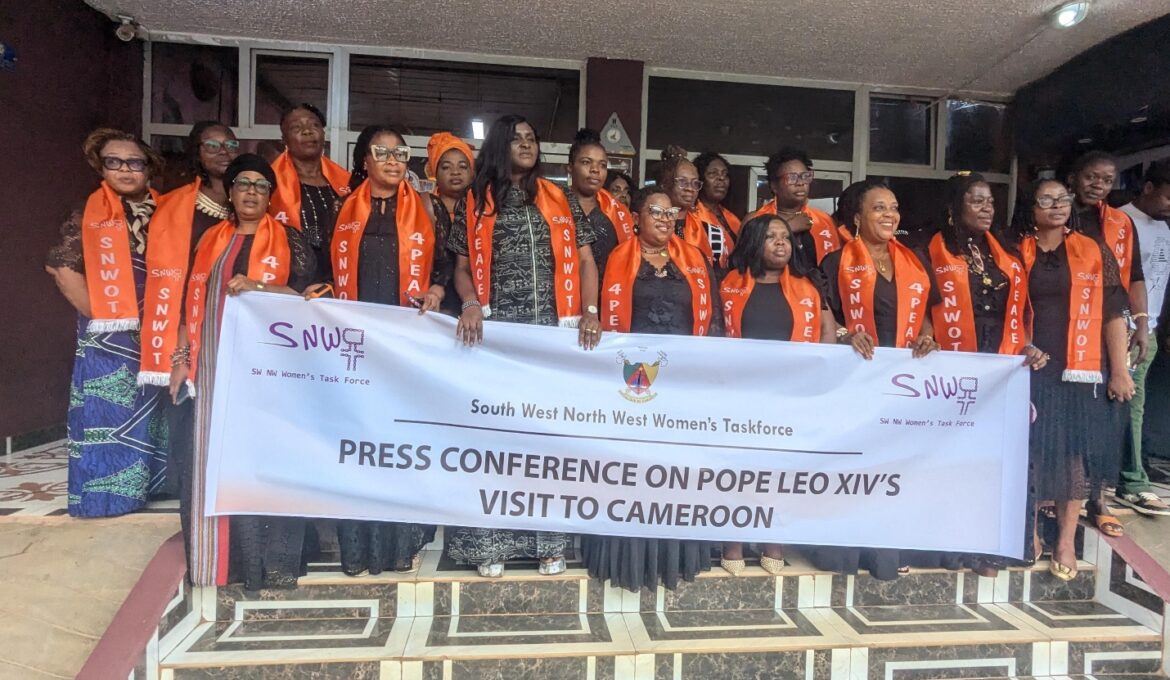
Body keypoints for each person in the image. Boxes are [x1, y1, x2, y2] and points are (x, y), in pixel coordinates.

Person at [447, 114, 601, 577]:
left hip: (550, 340)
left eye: (532, 138)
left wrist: (590, 312)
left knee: (545, 442)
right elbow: (460, 266)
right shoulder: (475, 201)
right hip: (496, 340)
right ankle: (487, 547)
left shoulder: (559, 198)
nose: (527, 145)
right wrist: (471, 303)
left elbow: (586, 259)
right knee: (494, 441)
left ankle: (547, 544)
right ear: (499, 146)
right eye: (517, 138)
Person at [172, 153, 318, 588]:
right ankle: (222, 564)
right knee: (214, 461)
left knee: (267, 461)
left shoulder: (292, 242)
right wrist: (181, 362)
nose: (252, 191)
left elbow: (313, 301)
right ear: (230, 193)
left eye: (260, 185)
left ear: (271, 196)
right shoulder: (208, 241)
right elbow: (186, 305)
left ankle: (274, 567)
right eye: (243, 184)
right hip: (214, 373)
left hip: (272, 377)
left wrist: (262, 287)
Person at [312, 125, 450, 574]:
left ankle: (400, 546)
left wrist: (435, 288)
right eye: (382, 152)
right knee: (359, 440)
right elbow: (320, 264)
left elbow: (446, 262)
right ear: (364, 161)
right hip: (355, 343)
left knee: (401, 442)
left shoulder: (426, 207)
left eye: (400, 153)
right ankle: (358, 550)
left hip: (406, 344)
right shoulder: (342, 207)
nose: (393, 160)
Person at [583, 186, 718, 591]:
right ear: (637, 217)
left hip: (679, 385)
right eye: (655, 211)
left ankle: (673, 556)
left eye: (670, 212)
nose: (664, 218)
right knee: (627, 468)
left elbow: (709, 322)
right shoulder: (617, 259)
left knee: (674, 472)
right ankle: (624, 557)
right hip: (631, 383)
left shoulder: (694, 259)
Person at [920, 172, 1048, 575]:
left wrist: (1026, 345)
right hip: (953, 366)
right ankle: (950, 544)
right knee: (952, 457)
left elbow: (1019, 308)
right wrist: (927, 339)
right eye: (976, 201)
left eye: (990, 201)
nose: (986, 208)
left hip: (999, 368)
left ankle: (990, 544)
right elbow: (920, 305)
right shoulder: (930, 249)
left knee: (994, 460)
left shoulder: (1005, 252)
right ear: (956, 208)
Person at [812, 179, 936, 580]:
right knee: (853, 468)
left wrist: (928, 337)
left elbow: (926, 314)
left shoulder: (913, 261)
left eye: (893, 208)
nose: (889, 215)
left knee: (892, 467)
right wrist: (850, 334)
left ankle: (885, 550)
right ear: (857, 217)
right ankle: (844, 551)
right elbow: (821, 318)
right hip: (855, 381)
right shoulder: (834, 262)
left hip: (900, 385)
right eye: (879, 208)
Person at [1013, 178, 1133, 581]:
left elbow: (1115, 312)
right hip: (1028, 365)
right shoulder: (1015, 251)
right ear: (1030, 207)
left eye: (1062, 199)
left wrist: (1119, 370)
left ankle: (1065, 538)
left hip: (1082, 368)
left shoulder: (1093, 249)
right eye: (1046, 199)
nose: (1057, 205)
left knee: (1074, 455)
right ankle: (1025, 531)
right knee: (1028, 451)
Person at [45, 128, 168, 518]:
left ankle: (153, 489)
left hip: (157, 328)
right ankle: (106, 499)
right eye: (115, 162)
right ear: (102, 167)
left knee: (156, 409)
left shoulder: (166, 211)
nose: (126, 170)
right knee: (108, 412)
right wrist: (106, 318)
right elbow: (62, 268)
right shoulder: (90, 213)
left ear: (149, 168)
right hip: (109, 336)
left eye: (135, 162)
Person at [139, 121, 239, 547]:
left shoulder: (255, 207)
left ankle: (237, 517)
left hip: (239, 335)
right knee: (192, 426)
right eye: (212, 145)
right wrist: (180, 351)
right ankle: (198, 529)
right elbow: (173, 280)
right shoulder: (177, 207)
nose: (222, 151)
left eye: (230, 143)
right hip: (190, 328)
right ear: (196, 152)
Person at [719, 214, 835, 576]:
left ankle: (773, 539)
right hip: (741, 395)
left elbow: (826, 332)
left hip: (788, 396)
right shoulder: (729, 285)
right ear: (755, 243)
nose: (781, 243)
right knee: (739, 470)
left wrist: (817, 376)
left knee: (779, 471)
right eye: (771, 237)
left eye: (786, 237)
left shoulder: (808, 286)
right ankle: (733, 541)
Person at [1068, 151, 1148, 537]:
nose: (1098, 184)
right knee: (1064, 420)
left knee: (1107, 414)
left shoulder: (1121, 223)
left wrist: (1143, 323)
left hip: (1110, 326)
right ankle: (1057, 499)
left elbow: (1135, 276)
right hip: (1066, 328)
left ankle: (1098, 501)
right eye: (1091, 176)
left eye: (1107, 178)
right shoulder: (1056, 214)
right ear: (1074, 176)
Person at [1115, 161, 1170, 515]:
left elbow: (1161, 281)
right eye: (1168, 196)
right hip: (1116, 328)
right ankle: (1131, 480)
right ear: (1148, 188)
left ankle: (1131, 474)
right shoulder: (1120, 220)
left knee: (1135, 403)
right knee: (1125, 402)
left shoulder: (1165, 227)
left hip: (1145, 334)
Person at [268, 103, 351, 276]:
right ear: (284, 139)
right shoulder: (268, 181)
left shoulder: (346, 182)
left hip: (337, 276)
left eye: (314, 125)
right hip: (288, 278)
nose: (307, 131)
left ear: (323, 134)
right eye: (297, 127)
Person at [750, 147, 850, 271]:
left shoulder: (824, 220)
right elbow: (743, 261)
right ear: (774, 186)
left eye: (805, 176)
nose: (801, 183)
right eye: (792, 178)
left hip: (816, 288)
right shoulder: (755, 219)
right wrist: (788, 227)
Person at [568, 128, 635, 279]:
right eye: (586, 162)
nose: (595, 170)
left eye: (602, 165)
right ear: (570, 168)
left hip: (607, 297)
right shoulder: (554, 206)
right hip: (562, 294)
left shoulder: (616, 213)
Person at [656, 145, 733, 267]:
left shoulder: (712, 232)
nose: (690, 189)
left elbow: (716, 277)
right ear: (664, 184)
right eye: (682, 182)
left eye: (695, 183)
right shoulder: (649, 226)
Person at [426, 131, 476, 222]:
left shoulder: (483, 210)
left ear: (472, 172)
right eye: (446, 167)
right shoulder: (424, 208)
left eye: (463, 166)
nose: (455, 172)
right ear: (435, 173)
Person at [695, 151, 742, 236]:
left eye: (725, 174)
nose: (721, 178)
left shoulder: (732, 218)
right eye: (713, 173)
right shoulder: (690, 215)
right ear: (699, 179)